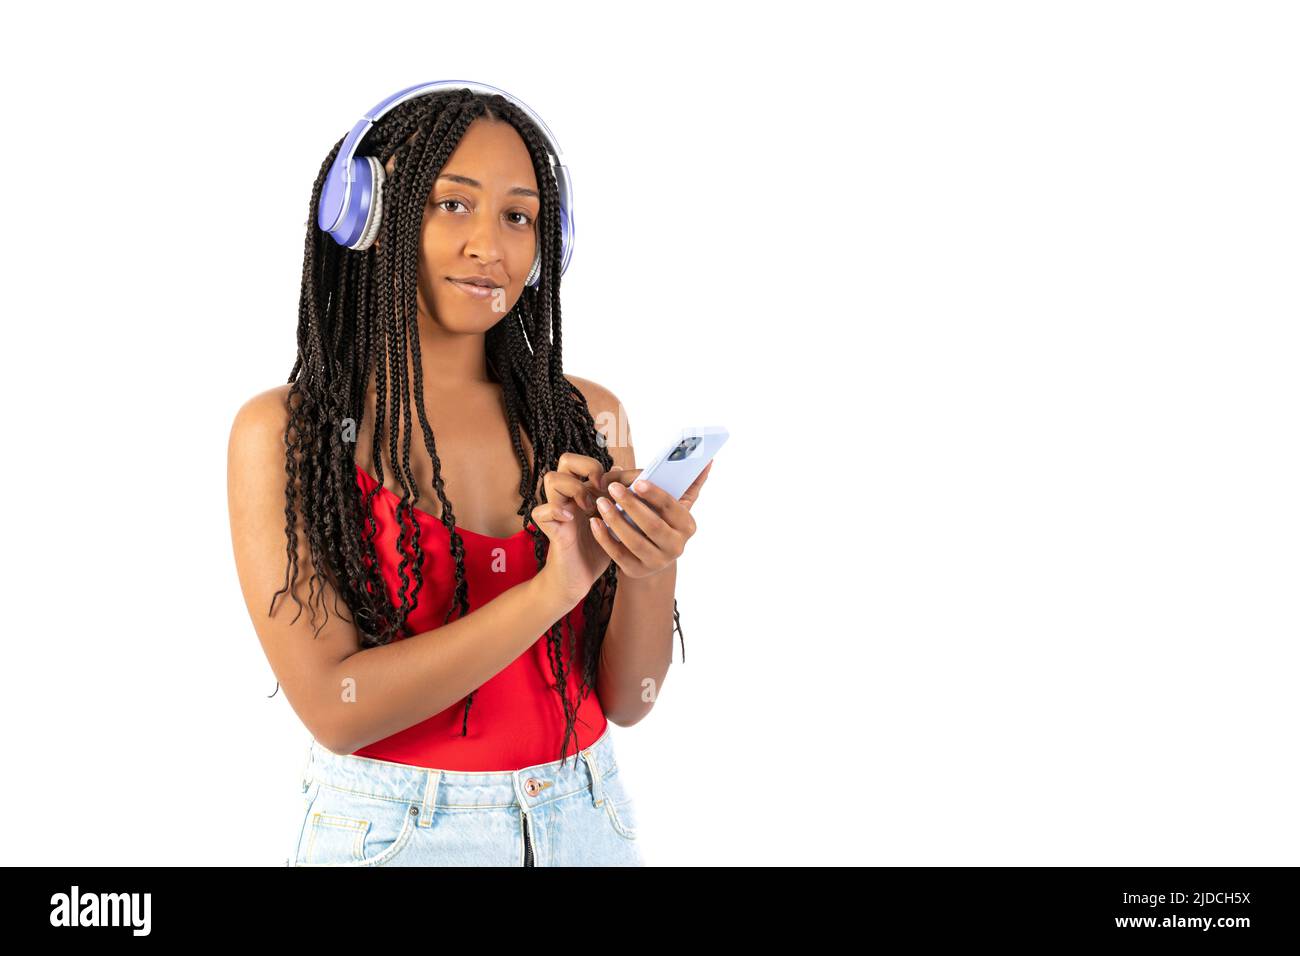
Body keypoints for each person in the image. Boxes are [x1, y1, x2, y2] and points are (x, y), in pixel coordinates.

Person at [226, 86, 712, 866]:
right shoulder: (288, 432)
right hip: (394, 833)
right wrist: (551, 591)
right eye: (453, 205)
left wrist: (650, 567)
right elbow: (336, 711)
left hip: (584, 820)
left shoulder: (588, 416)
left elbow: (626, 700)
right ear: (367, 215)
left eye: (518, 217)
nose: (491, 244)